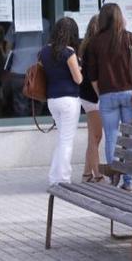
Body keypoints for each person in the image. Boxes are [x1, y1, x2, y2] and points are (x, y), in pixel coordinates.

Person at [86, 3, 132, 191]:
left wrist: (99, 92)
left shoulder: (95, 41)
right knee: (129, 136)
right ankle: (128, 181)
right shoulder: (128, 37)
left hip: (107, 94)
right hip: (129, 93)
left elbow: (92, 75)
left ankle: (114, 176)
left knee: (111, 136)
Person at [41, 17, 84, 185]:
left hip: (52, 100)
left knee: (61, 139)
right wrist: (79, 66)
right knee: (67, 140)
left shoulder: (44, 51)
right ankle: (64, 179)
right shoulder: (69, 52)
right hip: (69, 100)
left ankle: (54, 178)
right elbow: (78, 79)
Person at [78, 15, 105, 183]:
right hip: (94, 96)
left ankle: (86, 174)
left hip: (87, 95)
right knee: (96, 136)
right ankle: (97, 174)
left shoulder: (86, 46)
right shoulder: (95, 47)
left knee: (92, 136)